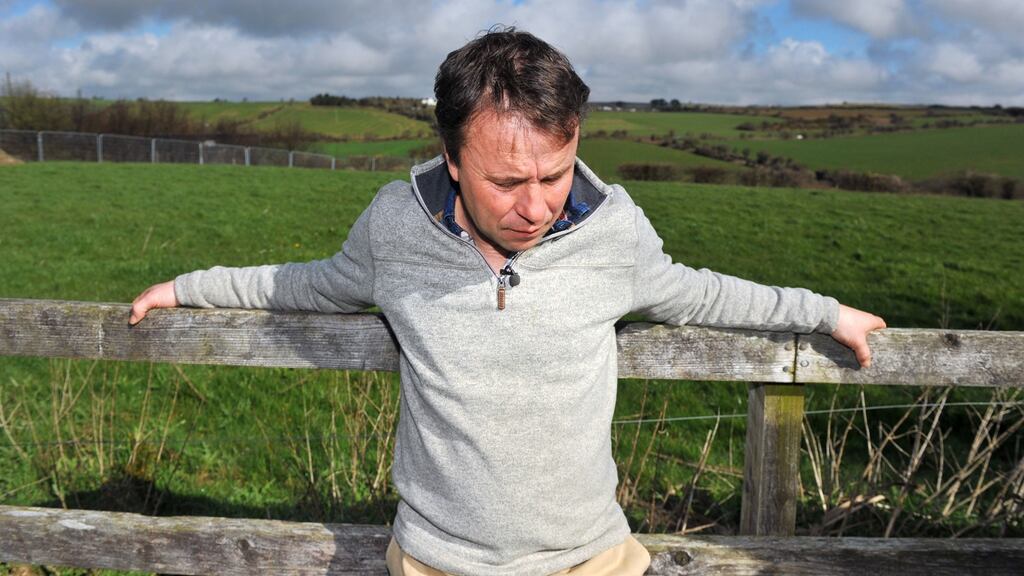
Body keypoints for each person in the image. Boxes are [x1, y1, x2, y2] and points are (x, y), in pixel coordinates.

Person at [129, 27, 886, 576]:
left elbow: (704, 293)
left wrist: (824, 312)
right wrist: (186, 289)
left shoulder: (614, 230)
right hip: (437, 560)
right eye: (506, 182)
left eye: (554, 176)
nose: (536, 206)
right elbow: (304, 283)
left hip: (588, 558)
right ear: (453, 159)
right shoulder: (395, 226)